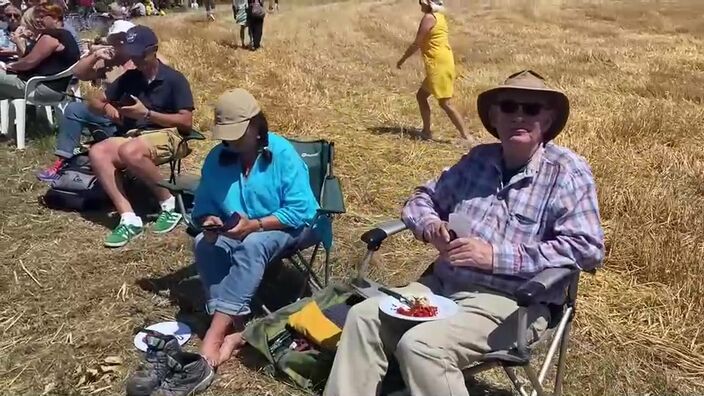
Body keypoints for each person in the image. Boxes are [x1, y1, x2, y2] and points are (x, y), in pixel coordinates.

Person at [323, 70, 606, 396]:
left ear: (549, 118)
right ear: (494, 116)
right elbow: (420, 200)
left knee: (422, 346)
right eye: (509, 106)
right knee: (363, 317)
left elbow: (586, 249)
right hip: (441, 287)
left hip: (513, 304)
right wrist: (431, 227)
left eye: (531, 109)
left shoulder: (567, 172)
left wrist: (494, 257)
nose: (519, 116)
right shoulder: (476, 161)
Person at [192, 89, 322, 368]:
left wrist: (257, 225)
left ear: (255, 125)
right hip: (237, 229)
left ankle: (213, 336)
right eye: (227, 133)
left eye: (238, 132)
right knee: (204, 242)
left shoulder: (282, 153)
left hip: (289, 226)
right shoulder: (217, 159)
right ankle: (232, 322)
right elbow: (203, 205)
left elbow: (302, 209)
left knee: (254, 244)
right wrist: (209, 220)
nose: (231, 140)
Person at [78, 25, 193, 248]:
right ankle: (129, 218)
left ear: (154, 50)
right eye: (132, 53)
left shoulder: (174, 79)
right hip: (134, 135)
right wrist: (108, 109)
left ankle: (169, 204)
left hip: (170, 135)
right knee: (98, 151)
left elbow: (186, 122)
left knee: (129, 150)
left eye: (140, 53)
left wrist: (147, 114)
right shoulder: (130, 78)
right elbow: (94, 101)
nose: (136, 59)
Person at [396, 0, 468, 141]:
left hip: (438, 64)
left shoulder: (429, 18)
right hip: (441, 61)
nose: (419, 5)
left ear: (429, 3)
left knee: (445, 103)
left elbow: (417, 42)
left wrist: (402, 59)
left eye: (421, 2)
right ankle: (426, 131)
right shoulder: (439, 17)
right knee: (421, 96)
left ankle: (467, 137)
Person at [0, 2, 78, 101]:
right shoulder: (67, 36)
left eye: (42, 17)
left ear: (55, 17)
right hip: (57, 89)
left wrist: (8, 66)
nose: (37, 20)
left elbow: (28, 62)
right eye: (37, 17)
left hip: (39, 89)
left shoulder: (50, 37)